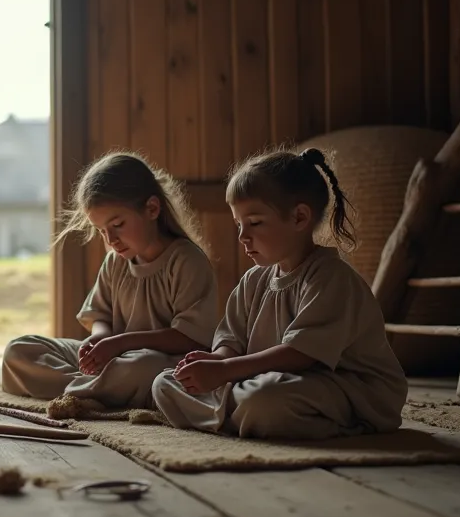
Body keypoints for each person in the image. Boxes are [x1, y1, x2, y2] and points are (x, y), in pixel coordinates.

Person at [152, 147, 408, 439]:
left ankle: (240, 416)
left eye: (255, 223)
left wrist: (225, 371)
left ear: (299, 218)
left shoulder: (331, 278)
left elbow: (300, 355)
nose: (242, 237)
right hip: (270, 378)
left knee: (265, 400)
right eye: (238, 224)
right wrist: (216, 361)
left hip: (346, 388)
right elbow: (232, 342)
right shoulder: (253, 280)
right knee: (164, 382)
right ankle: (241, 417)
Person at [0, 151, 219, 410]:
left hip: (160, 362)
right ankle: (97, 391)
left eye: (118, 224)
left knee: (144, 369)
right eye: (102, 231)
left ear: (152, 209)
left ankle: (85, 390)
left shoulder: (186, 260)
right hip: (115, 358)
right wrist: (99, 339)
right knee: (19, 350)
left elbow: (190, 337)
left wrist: (119, 343)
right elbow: (99, 315)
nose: (111, 240)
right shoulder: (116, 260)